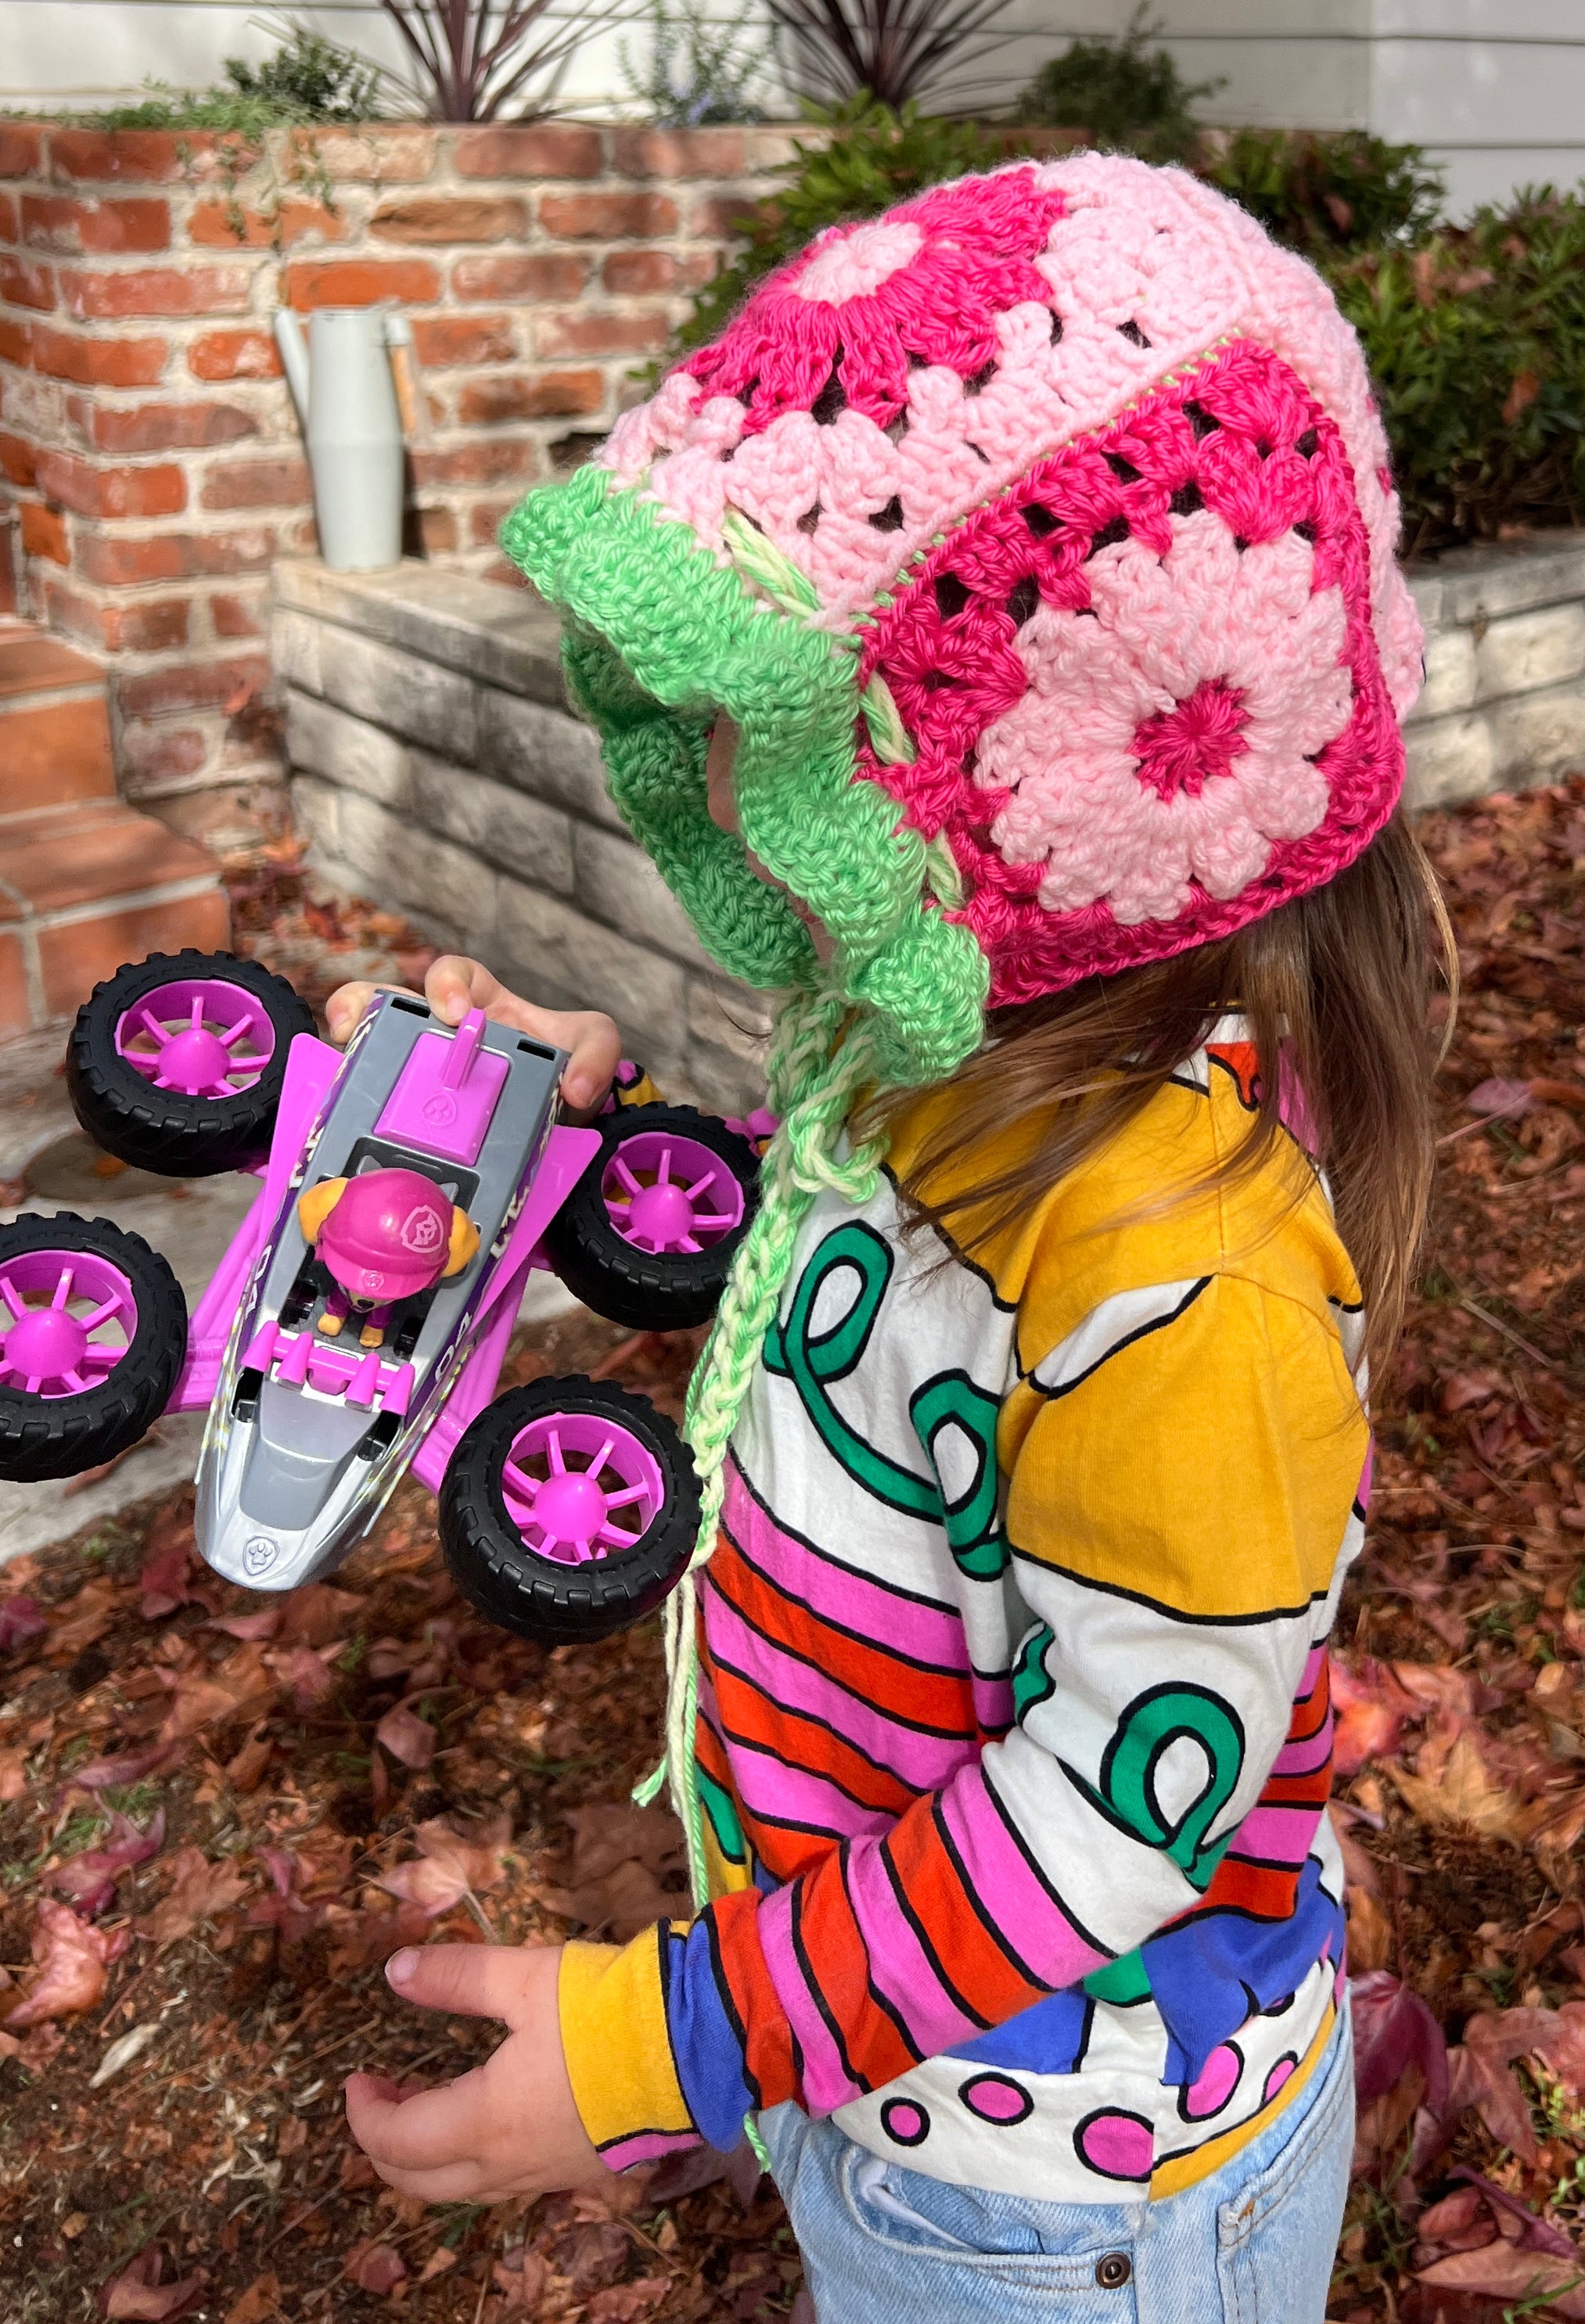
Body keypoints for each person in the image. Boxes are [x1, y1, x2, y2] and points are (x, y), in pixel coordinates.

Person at [337, 153, 1451, 2318]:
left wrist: (669, 2037)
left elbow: (1129, 1801)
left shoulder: (1189, 1284)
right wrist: (591, 1147)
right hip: (889, 2066)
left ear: (1047, 782)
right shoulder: (953, 1047)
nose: (729, 795)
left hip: (1072, 2196)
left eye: (797, 738)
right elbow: (860, 1300)